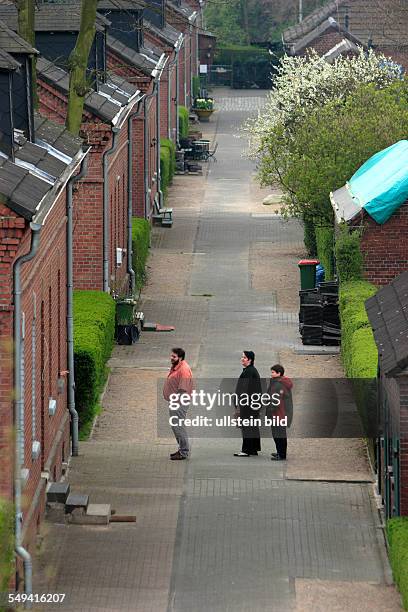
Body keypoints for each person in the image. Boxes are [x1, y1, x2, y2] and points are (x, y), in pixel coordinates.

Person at [163, 348, 193, 460]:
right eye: (171, 356)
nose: (171, 358)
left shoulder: (183, 370)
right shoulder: (178, 366)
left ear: (180, 358)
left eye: (174, 356)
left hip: (179, 402)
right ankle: (182, 449)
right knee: (176, 426)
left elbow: (183, 388)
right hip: (176, 401)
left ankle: (184, 451)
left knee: (178, 426)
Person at [233, 351, 262, 457]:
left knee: (246, 426)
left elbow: (244, 389)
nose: (242, 359)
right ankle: (253, 449)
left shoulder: (249, 372)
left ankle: (246, 450)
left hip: (248, 404)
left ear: (250, 360)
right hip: (253, 403)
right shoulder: (251, 371)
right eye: (242, 357)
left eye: (244, 357)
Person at [267, 364, 293, 461]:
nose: (271, 374)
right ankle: (280, 452)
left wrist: (269, 409)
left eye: (273, 372)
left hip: (278, 414)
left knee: (278, 434)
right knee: (278, 434)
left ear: (279, 373)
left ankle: (281, 454)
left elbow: (275, 400)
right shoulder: (278, 382)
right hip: (280, 414)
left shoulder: (278, 385)